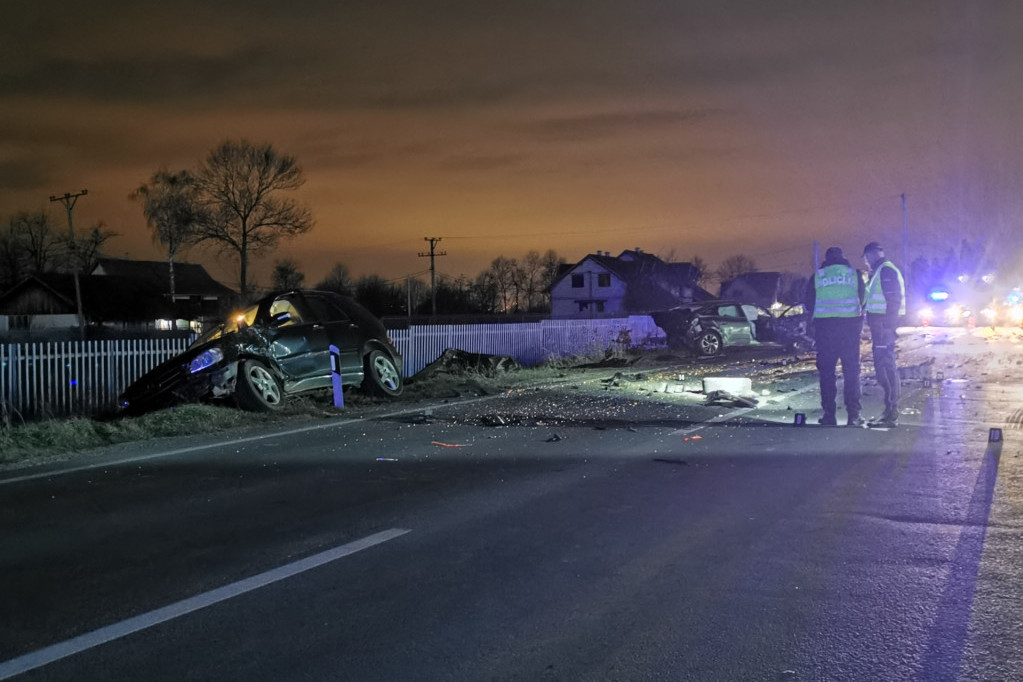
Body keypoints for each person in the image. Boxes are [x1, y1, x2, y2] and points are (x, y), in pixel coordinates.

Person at [806, 246, 865, 426]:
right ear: (843, 257)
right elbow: (862, 299)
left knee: (827, 373)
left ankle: (829, 415)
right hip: (849, 329)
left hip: (825, 330)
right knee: (851, 372)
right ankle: (853, 415)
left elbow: (809, 302)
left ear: (826, 258)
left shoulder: (818, 276)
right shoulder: (854, 275)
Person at [862, 241, 905, 427]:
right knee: (884, 367)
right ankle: (889, 411)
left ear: (870, 255)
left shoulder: (885, 271)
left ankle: (891, 411)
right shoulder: (882, 271)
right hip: (881, 327)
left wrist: (887, 326)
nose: (866, 263)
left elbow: (893, 299)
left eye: (865, 259)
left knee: (885, 368)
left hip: (883, 328)